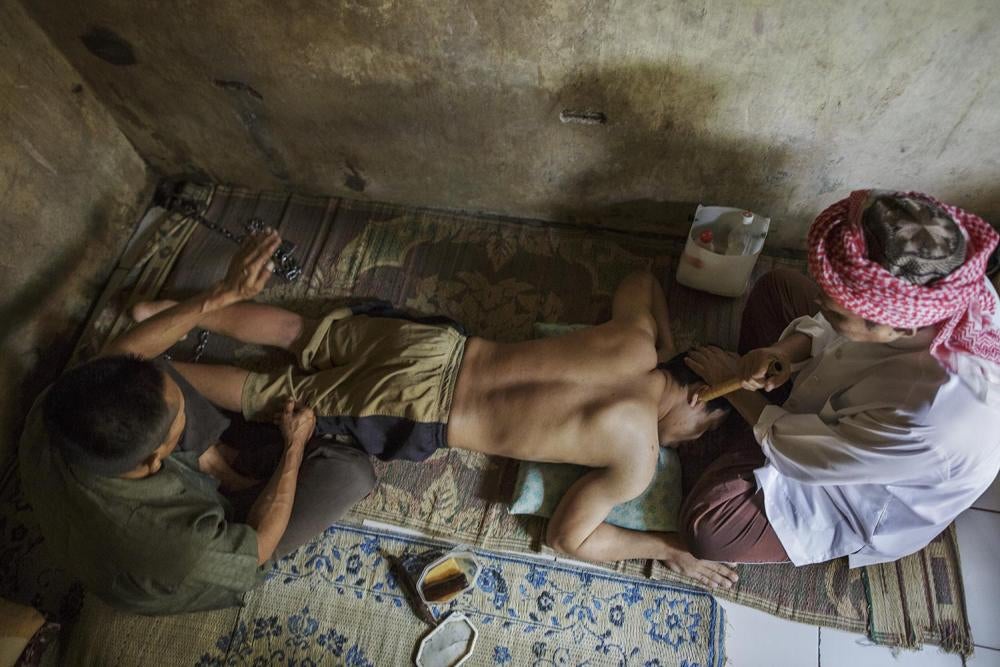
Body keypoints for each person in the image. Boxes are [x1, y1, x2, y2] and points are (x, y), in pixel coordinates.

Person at [19, 231, 377, 614]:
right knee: (350, 472)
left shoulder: (60, 406)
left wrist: (221, 294)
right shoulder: (181, 545)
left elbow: (125, 354)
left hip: (112, 498)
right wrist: (294, 445)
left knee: (151, 371)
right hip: (191, 558)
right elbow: (257, 548)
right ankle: (231, 476)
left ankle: (222, 466)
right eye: (180, 423)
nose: (189, 408)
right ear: (157, 460)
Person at [682, 190, 1000, 568]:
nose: (819, 303)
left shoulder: (932, 418)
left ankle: (744, 437)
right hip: (838, 411)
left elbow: (809, 458)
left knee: (708, 528)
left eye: (834, 310)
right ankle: (750, 428)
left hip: (850, 486)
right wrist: (783, 354)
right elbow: (828, 330)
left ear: (896, 326)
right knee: (777, 287)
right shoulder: (939, 296)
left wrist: (733, 386)